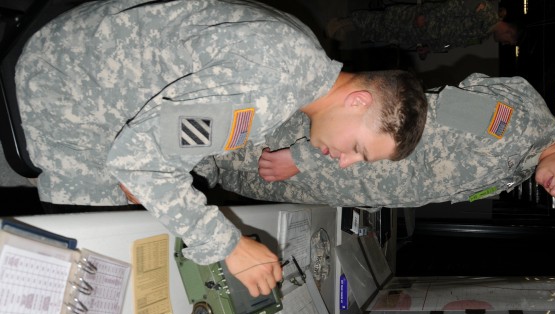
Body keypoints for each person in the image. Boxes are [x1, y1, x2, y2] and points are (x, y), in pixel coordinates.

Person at [15, 0, 427, 297]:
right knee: (97, 261)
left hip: (91, 49)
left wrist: (166, 177)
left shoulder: (304, 54)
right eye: (358, 148)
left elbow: (185, 132)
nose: (346, 162)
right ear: (358, 102)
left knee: (158, 209)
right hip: (63, 87)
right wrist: (228, 245)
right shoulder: (266, 93)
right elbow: (138, 164)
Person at [209, 73, 555, 220]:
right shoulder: (513, 123)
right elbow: (403, 112)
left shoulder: (520, 168)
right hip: (298, 148)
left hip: (315, 182)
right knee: (199, 138)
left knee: (207, 169)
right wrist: (302, 156)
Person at [327, 0, 523, 59]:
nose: (505, 43)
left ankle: (349, 28)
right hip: (422, 20)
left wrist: (429, 47)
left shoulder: (481, 36)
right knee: (385, 21)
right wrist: (427, 16)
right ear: (509, 32)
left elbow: (451, 42)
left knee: (385, 33)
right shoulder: (486, 11)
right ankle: (343, 22)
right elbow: (454, 5)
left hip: (421, 35)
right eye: (508, 41)